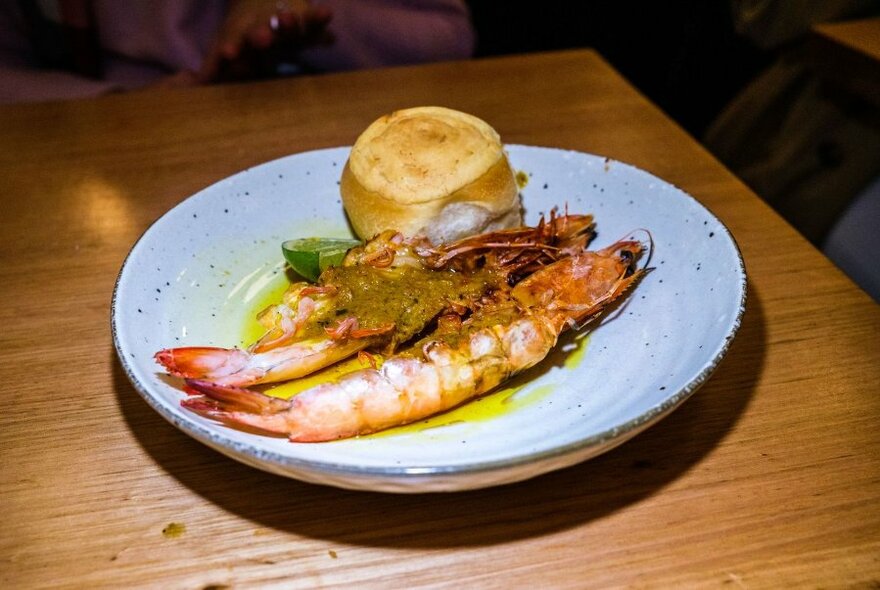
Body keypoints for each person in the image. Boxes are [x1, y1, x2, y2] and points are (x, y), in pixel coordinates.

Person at [0, 0, 475, 104]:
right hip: (129, 129)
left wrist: (296, 10)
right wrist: (114, 100)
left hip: (334, 106)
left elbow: (449, 35)